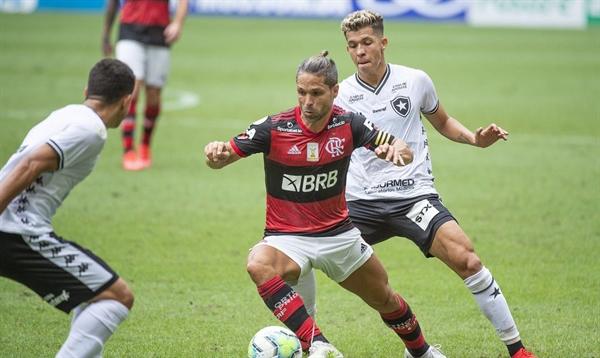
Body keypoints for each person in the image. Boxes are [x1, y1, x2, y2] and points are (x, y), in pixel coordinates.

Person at [292, 9, 537, 358]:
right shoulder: (340, 93)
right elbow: (312, 130)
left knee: (467, 260)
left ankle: (518, 350)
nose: (360, 51)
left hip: (413, 197)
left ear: (383, 42)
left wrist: (475, 139)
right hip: (360, 203)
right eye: (352, 45)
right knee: (298, 255)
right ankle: (310, 343)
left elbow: (444, 121)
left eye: (366, 42)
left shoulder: (415, 80)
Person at [205, 51, 446, 358]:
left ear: (335, 92)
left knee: (384, 298)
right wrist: (215, 153)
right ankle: (320, 344)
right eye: (302, 92)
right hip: (287, 238)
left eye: (316, 93)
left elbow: (397, 145)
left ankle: (421, 352)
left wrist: (397, 152)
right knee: (258, 264)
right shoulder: (273, 128)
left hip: (339, 236)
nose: (308, 102)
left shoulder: (350, 124)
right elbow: (223, 156)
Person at [0, 59, 136, 358]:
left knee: (94, 295)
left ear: (88, 90)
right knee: (118, 297)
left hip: (11, 227)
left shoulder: (65, 114)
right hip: (16, 230)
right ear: (127, 101)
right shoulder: (92, 131)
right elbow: (31, 163)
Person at [102, 0, 188, 170]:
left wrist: (178, 23)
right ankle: (128, 150)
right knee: (131, 88)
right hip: (130, 31)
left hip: (159, 32)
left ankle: (145, 145)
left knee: (153, 96)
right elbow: (113, 2)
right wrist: (106, 34)